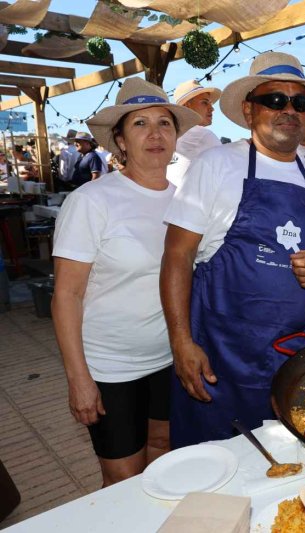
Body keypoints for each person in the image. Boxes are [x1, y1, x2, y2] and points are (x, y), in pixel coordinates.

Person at [160, 52, 305, 447]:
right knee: (213, 478)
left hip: (289, 359)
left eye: (299, 102)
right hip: (217, 358)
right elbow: (176, 256)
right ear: (249, 110)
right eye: (275, 100)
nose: (289, 110)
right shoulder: (216, 166)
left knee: (287, 470)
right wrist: (181, 343)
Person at [51, 77, 201, 487]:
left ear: (175, 136)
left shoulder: (188, 201)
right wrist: (78, 377)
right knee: (123, 479)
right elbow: (66, 294)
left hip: (169, 360)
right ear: (119, 140)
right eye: (139, 124)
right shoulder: (92, 201)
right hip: (111, 366)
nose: (155, 134)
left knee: (165, 456)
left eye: (164, 123)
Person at [166, 79, 222, 187]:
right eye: (205, 102)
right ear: (187, 106)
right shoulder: (203, 135)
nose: (212, 108)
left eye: (210, 103)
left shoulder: (170, 135)